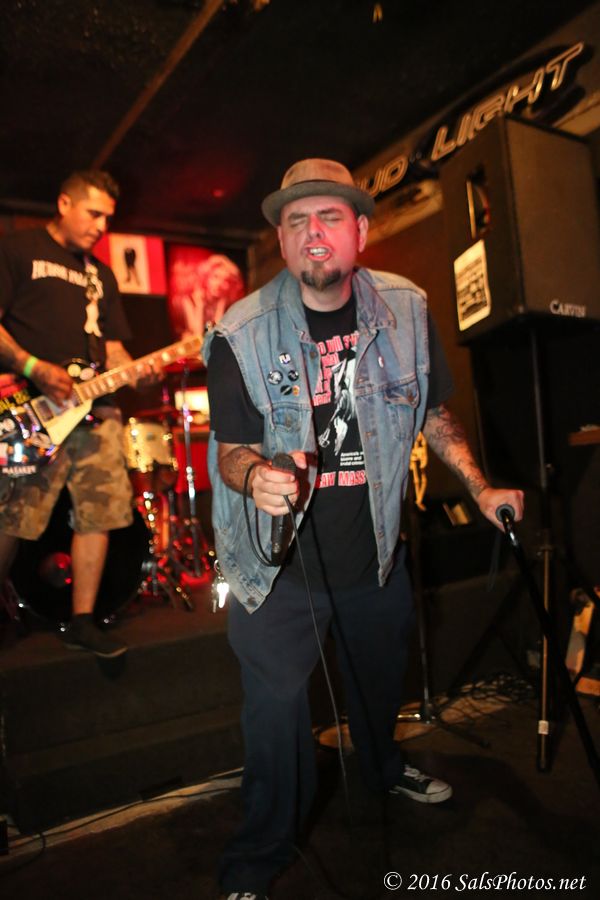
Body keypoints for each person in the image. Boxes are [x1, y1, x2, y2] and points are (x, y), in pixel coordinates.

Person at [204, 158, 524, 900]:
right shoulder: (240, 332)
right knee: (277, 716)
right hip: (278, 568)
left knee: (379, 688)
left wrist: (479, 486)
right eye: (296, 221)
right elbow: (229, 452)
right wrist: (257, 477)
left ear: (361, 232)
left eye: (329, 217)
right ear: (282, 240)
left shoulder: (405, 309)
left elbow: (432, 413)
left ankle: (382, 767)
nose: (313, 232)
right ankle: (260, 851)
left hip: (374, 554)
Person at [0, 169, 148, 658]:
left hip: (96, 410)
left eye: (108, 217)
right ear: (64, 203)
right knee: (12, 516)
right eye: (94, 213)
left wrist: (139, 371)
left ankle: (83, 621)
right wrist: (32, 367)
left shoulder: (100, 275)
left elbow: (114, 348)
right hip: (32, 409)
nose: (102, 226)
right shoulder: (18, 250)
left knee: (99, 511)